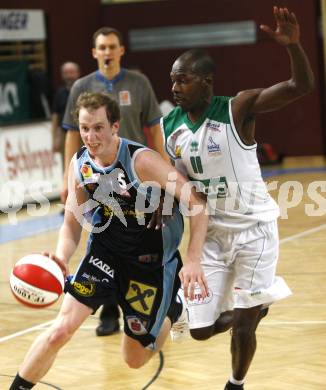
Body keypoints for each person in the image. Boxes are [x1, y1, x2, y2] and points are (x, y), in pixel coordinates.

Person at [9, 92, 208, 390]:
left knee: (134, 359)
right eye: (85, 128)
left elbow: (198, 204)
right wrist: (61, 258)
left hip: (149, 265)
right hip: (105, 254)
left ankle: (175, 307)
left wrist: (193, 259)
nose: (90, 136)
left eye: (98, 127)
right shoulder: (79, 165)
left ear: (115, 126)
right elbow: (72, 224)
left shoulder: (142, 162)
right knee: (60, 330)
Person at [161, 7, 314, 390]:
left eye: (184, 80)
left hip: (254, 230)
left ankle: (236, 382)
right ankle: (256, 306)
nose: (175, 88)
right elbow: (180, 180)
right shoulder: (169, 125)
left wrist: (294, 46)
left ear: (207, 82)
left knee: (243, 325)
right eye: (172, 81)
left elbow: (300, 87)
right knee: (199, 330)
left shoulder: (237, 108)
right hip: (210, 233)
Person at [62, 27, 167, 337]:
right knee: (102, 234)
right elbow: (71, 132)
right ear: (94, 53)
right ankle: (107, 310)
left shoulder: (139, 82)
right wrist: (67, 180)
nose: (107, 52)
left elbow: (155, 127)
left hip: (139, 175)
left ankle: (152, 302)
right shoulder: (82, 86)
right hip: (97, 175)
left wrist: (163, 173)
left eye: (112, 47)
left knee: (143, 239)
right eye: (101, 48)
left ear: (121, 50)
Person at [51, 62, 80, 159]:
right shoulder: (59, 93)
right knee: (68, 164)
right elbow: (55, 118)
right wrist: (55, 139)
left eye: (72, 72)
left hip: (84, 133)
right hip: (65, 134)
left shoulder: (85, 90)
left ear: (78, 73)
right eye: (66, 73)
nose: (69, 76)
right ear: (62, 75)